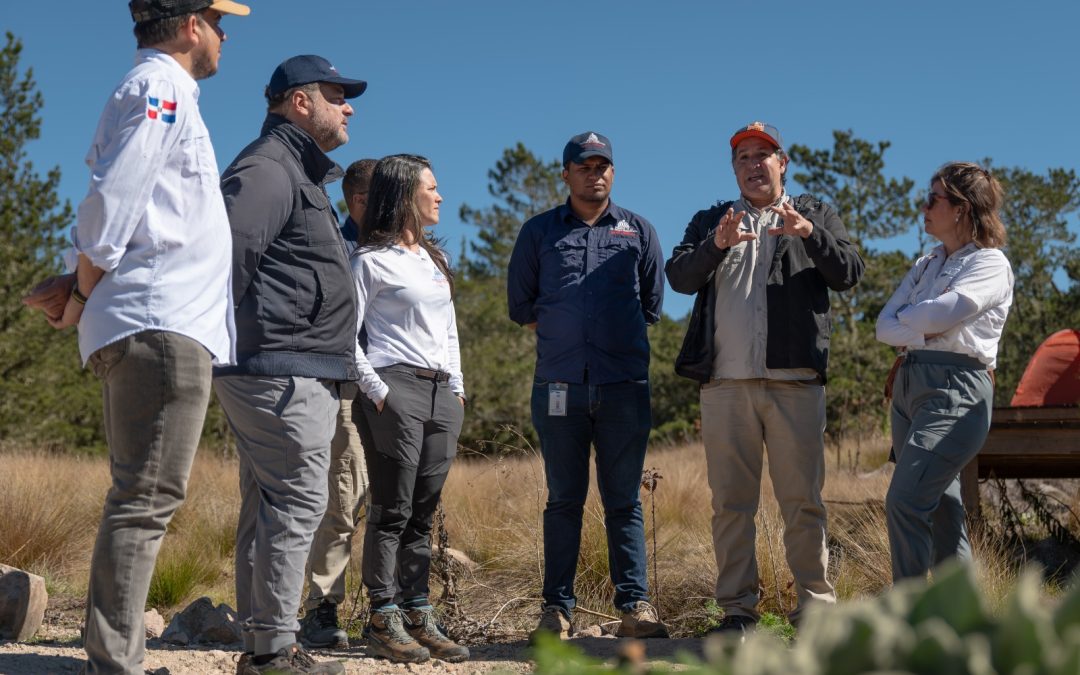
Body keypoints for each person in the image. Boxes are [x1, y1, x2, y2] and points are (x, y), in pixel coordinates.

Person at [20, 1, 248, 672]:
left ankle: (113, 650)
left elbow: (120, 203)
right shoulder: (162, 86)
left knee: (139, 494)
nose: (224, 33)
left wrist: (76, 284)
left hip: (153, 316)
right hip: (159, 320)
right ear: (188, 26)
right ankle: (116, 659)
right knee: (146, 497)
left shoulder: (159, 89)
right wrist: (84, 288)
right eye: (217, 19)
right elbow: (116, 198)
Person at [665, 122, 863, 635]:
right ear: (734, 169)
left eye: (763, 155)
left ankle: (817, 610)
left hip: (795, 383)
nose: (753, 165)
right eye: (743, 158)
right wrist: (716, 244)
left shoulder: (814, 214)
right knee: (731, 505)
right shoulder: (713, 219)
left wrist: (808, 234)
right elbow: (679, 277)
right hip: (726, 386)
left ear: (783, 163)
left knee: (803, 503)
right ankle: (736, 613)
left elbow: (849, 273)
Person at [213, 55, 367, 675]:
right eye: (338, 95)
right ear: (300, 102)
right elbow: (226, 260)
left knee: (274, 504)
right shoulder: (270, 168)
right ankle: (274, 651)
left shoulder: (296, 172)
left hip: (285, 364)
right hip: (278, 367)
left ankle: (263, 644)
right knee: (300, 500)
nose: (349, 106)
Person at [507, 132, 668, 641]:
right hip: (558, 387)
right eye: (583, 166)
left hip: (624, 386)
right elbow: (522, 306)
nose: (594, 173)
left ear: (613, 173)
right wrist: (566, 334)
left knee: (623, 501)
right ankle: (555, 611)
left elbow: (651, 305)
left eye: (603, 165)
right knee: (564, 500)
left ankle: (635, 608)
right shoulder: (539, 232)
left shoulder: (638, 230)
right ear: (566, 174)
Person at [349, 154, 468, 664]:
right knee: (392, 509)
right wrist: (378, 391)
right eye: (431, 188)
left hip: (443, 394)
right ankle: (382, 616)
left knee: (422, 510)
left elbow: (448, 331)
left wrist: (458, 388)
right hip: (394, 388)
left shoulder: (434, 260)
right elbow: (344, 336)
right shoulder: (369, 260)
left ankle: (417, 610)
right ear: (404, 194)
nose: (440, 196)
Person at [876, 162, 1012, 582]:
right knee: (944, 510)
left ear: (961, 208)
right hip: (909, 386)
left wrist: (912, 323)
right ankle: (961, 623)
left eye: (933, 198)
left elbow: (944, 313)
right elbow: (885, 326)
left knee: (905, 500)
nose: (924, 206)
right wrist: (923, 324)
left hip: (955, 389)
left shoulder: (990, 264)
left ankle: (909, 620)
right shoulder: (926, 264)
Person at [299, 159, 377, 649]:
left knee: (391, 505)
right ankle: (323, 609)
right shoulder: (336, 246)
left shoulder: (406, 249)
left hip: (401, 391)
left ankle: (389, 608)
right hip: (347, 386)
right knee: (342, 500)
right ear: (360, 200)